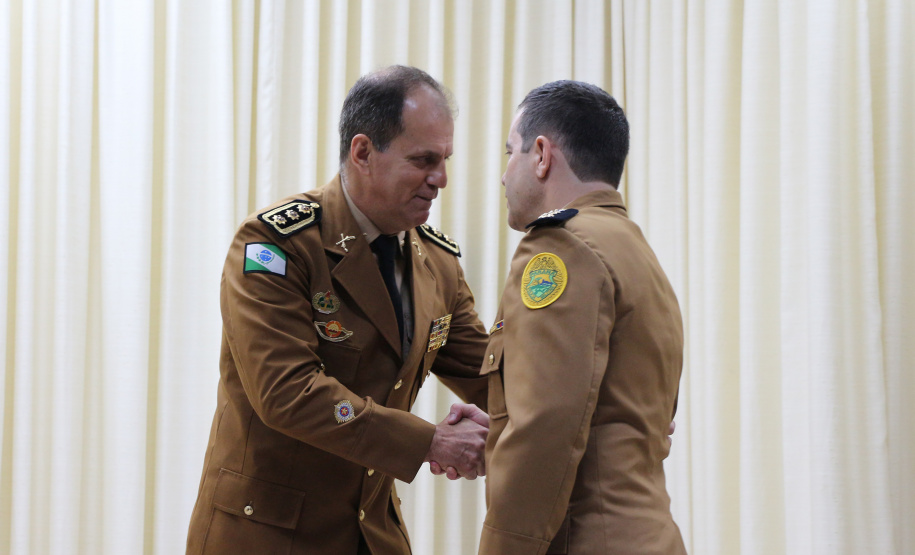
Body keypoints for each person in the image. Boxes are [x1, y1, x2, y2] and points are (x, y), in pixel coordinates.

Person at [186, 65, 491, 555]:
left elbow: (489, 372)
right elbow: (286, 392)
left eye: (445, 159)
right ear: (364, 152)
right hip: (267, 536)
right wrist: (428, 442)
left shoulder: (437, 262)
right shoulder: (277, 244)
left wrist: (616, 409)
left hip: (371, 536)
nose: (441, 179)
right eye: (423, 160)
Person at [476, 81, 687, 554]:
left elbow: (544, 429)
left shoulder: (560, 247)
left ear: (542, 154)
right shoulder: (636, 252)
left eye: (510, 152)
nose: (504, 174)